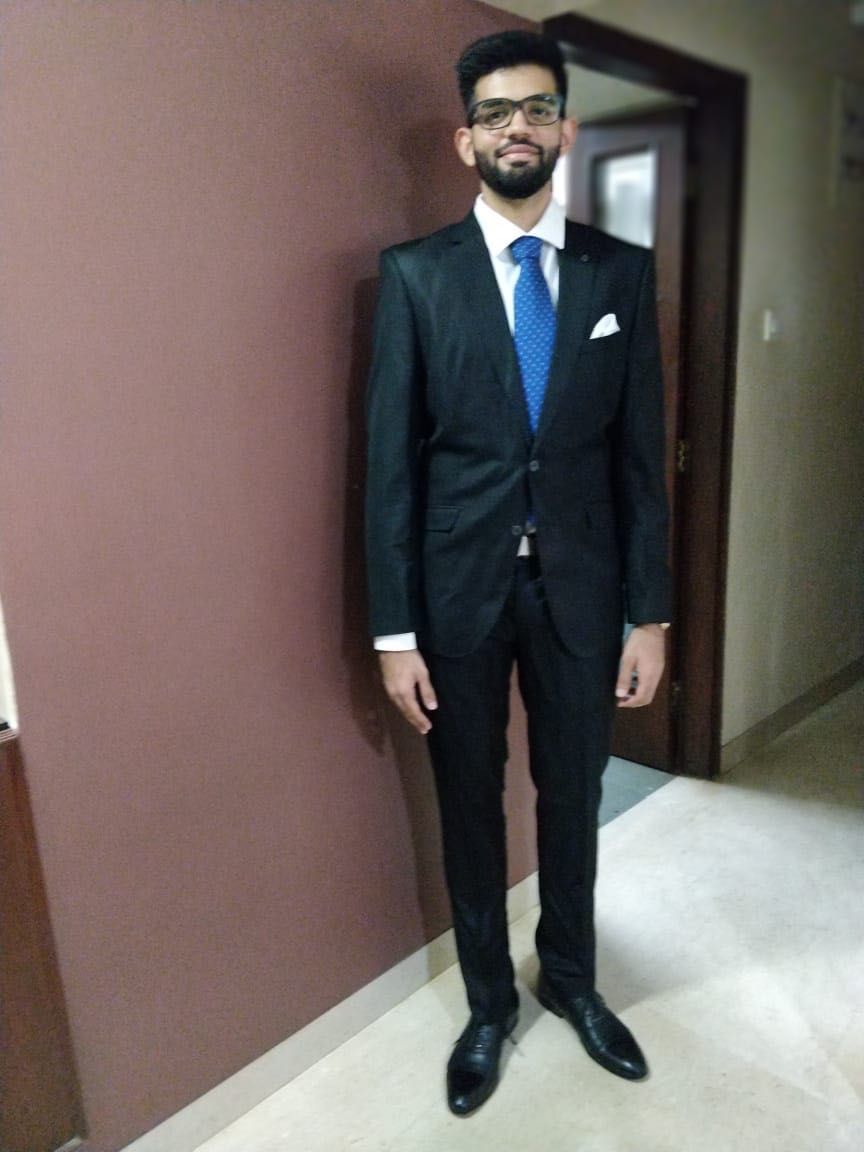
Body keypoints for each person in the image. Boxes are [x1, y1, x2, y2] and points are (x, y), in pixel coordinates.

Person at [365, 29, 671, 1116]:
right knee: (468, 801)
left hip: (582, 589)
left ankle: (573, 980)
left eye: (537, 109)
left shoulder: (619, 272)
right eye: (495, 113)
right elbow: (391, 470)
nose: (517, 129)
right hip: (457, 594)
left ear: (565, 130)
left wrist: (651, 615)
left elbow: (641, 458)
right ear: (467, 140)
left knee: (574, 795)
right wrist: (393, 632)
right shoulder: (414, 277)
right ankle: (489, 1005)